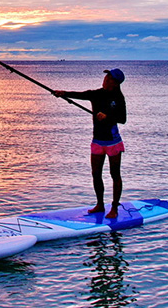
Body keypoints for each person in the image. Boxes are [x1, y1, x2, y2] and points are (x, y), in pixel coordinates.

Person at [54, 68, 128, 218]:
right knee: (96, 174)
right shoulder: (97, 94)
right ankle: (100, 204)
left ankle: (114, 207)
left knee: (115, 174)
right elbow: (81, 95)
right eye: (106, 76)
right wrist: (63, 93)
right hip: (97, 141)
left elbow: (122, 119)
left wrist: (107, 116)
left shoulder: (118, 98)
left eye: (109, 78)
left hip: (113, 142)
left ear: (115, 83)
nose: (106, 79)